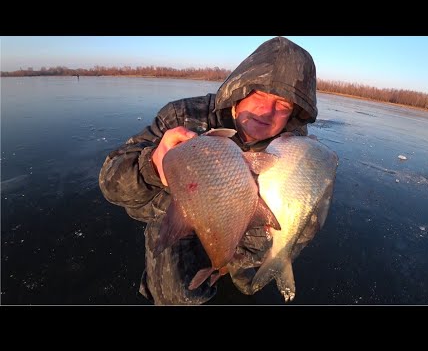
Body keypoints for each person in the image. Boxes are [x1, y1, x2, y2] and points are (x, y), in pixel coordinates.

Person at [99, 36, 321, 305]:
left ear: (294, 113)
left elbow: (299, 226)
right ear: (240, 88)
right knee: (177, 293)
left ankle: (227, 269)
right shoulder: (183, 115)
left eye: (283, 105)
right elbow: (111, 184)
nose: (266, 111)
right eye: (258, 93)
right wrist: (153, 167)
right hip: (176, 213)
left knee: (246, 278)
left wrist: (233, 262)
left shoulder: (294, 154)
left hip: (243, 231)